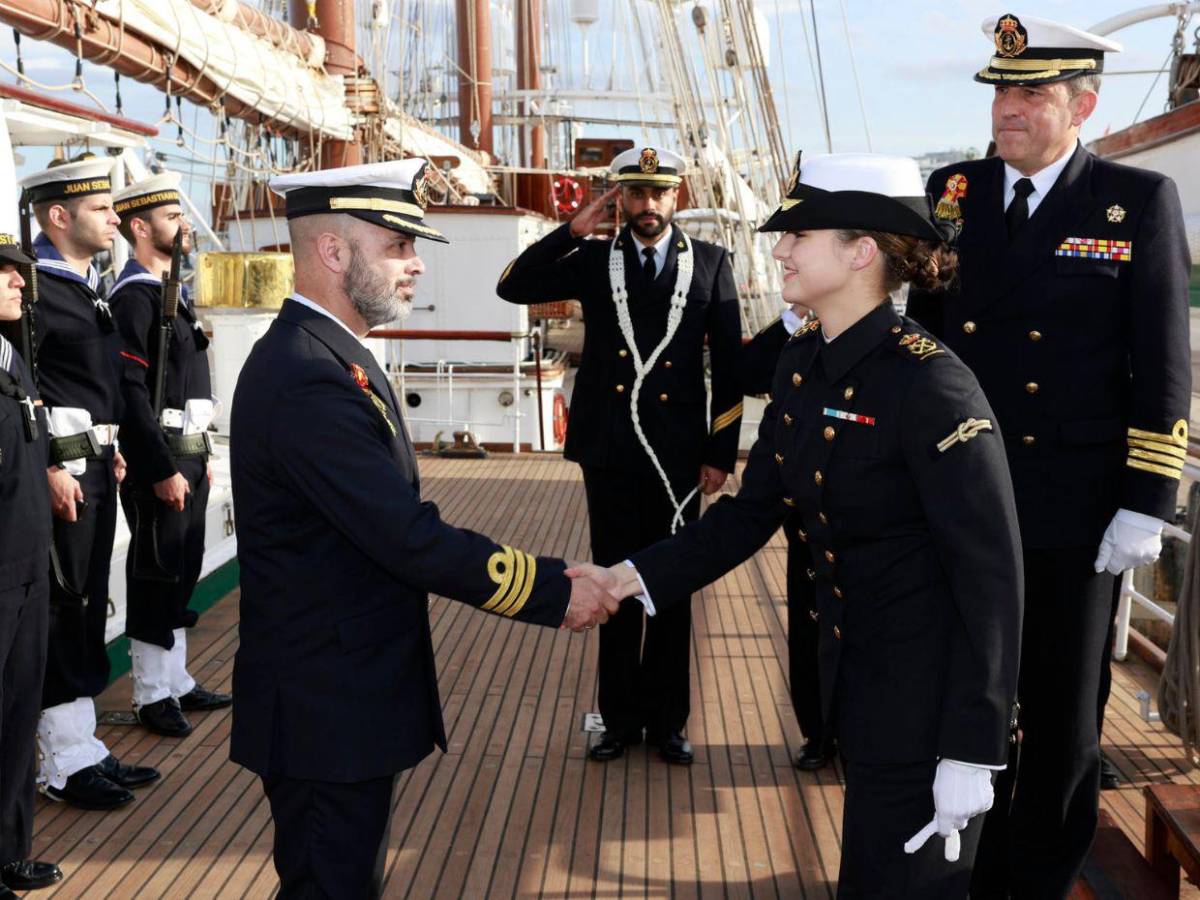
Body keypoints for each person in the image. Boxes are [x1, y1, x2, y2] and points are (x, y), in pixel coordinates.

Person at [574, 152, 1024, 898]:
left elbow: (991, 578)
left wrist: (974, 749)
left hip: (929, 704)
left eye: (799, 235)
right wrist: (628, 578)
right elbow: (751, 514)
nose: (779, 249)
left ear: (861, 253)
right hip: (859, 684)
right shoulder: (802, 361)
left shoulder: (932, 386)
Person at [229, 158, 618, 899]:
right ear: (333, 251)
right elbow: (404, 535)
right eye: (396, 246)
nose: (413, 267)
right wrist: (550, 588)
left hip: (344, 700)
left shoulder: (330, 357)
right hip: (325, 711)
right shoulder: (307, 376)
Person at [905, 14, 1192, 897]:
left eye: (1032, 93)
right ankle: (962, 857)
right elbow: (921, 340)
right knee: (963, 689)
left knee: (1064, 715)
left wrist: (1150, 499)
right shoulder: (953, 192)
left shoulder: (1134, 201)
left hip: (1076, 506)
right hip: (963, 494)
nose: (1010, 108)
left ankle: (1037, 878)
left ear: (1083, 105)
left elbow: (1163, 363)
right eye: (1001, 90)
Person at [496, 145, 744, 765]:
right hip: (609, 448)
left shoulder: (712, 264)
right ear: (621, 200)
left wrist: (721, 452)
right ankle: (617, 720)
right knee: (611, 581)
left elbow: (731, 372)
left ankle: (668, 723)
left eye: (658, 193)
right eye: (636, 194)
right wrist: (569, 230)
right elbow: (512, 286)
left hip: (679, 456)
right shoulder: (591, 258)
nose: (648, 206)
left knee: (672, 585)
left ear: (676, 196)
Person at [18, 157, 160, 811]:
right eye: (101, 209)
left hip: (98, 469)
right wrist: (46, 464)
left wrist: (117, 448)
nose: (113, 218)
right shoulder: (34, 290)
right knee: (62, 605)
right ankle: (59, 760)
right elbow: (21, 388)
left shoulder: (85, 290)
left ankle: (82, 742)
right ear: (58, 216)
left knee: (86, 604)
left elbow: (99, 388)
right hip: (63, 476)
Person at [110, 172, 231, 738]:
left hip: (188, 455)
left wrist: (194, 456)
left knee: (182, 569)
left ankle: (175, 679)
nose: (185, 224)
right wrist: (158, 469)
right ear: (140, 227)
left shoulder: (169, 296)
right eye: (172, 217)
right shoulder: (133, 298)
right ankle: (152, 694)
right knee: (156, 571)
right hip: (160, 463)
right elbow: (130, 395)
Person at [739, 313, 829, 771]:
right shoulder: (793, 340)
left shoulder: (897, 345)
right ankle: (816, 732)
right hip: (803, 511)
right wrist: (792, 321)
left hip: (864, 521)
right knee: (807, 619)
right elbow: (747, 371)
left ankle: (852, 732)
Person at [0, 235, 62, 895]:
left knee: (19, 713)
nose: (21, 283)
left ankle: (9, 849)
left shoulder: (12, 357)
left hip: (26, 561)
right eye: (7, 274)